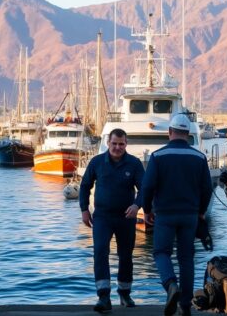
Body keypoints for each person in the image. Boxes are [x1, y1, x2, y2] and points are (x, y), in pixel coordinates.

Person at [142, 114, 212, 316]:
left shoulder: (158, 156)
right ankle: (185, 306)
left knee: (161, 253)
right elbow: (206, 188)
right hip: (189, 215)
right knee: (186, 258)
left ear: (169, 132)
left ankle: (170, 284)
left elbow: (147, 187)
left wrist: (147, 210)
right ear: (188, 134)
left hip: (164, 214)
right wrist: (200, 212)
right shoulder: (199, 157)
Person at [79, 128, 145, 314]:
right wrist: (84, 209)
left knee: (126, 256)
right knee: (100, 252)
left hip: (126, 218)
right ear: (108, 143)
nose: (117, 147)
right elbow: (84, 187)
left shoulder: (134, 163)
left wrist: (136, 206)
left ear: (126, 144)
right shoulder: (97, 162)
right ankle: (104, 296)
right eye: (114, 143)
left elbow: (144, 189)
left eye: (121, 144)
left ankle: (124, 293)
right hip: (102, 217)